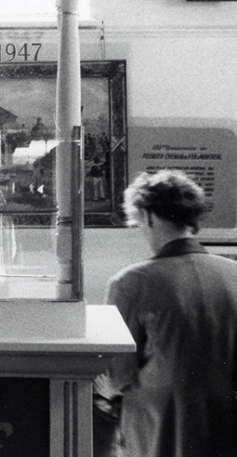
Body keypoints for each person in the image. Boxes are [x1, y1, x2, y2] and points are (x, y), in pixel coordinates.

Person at [98, 169, 237, 457]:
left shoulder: (130, 283)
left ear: (147, 216)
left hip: (158, 430)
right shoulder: (233, 274)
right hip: (225, 426)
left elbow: (117, 378)